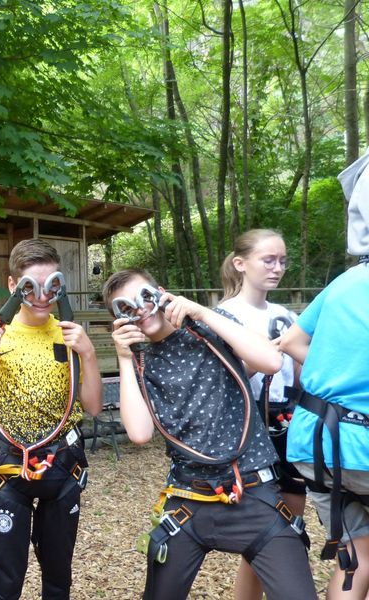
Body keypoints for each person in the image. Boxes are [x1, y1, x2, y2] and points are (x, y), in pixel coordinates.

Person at [103, 268, 316, 600]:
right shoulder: (143, 363)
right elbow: (140, 433)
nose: (141, 309)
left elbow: (271, 361)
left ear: (161, 292)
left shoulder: (209, 327)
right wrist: (124, 358)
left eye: (145, 297)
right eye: (126, 308)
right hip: (189, 498)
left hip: (253, 490)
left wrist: (201, 313)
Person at [0, 238, 102, 600]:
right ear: (13, 285)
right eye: (30, 286)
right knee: (6, 580)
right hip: (11, 467)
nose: (42, 296)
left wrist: (88, 354)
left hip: (62, 465)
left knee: (58, 576)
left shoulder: (69, 333)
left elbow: (94, 407)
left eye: (51, 285)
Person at [279, 153, 369, 599]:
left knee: (357, 557)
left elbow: (292, 341)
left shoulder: (344, 282)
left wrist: (339, 373)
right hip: (362, 448)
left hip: (315, 445)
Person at [218, 229, 307, 600]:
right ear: (240, 263)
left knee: (291, 528)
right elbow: (219, 383)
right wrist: (264, 356)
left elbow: (302, 377)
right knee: (259, 541)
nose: (277, 268)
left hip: (288, 424)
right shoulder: (222, 316)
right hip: (247, 427)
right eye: (268, 260)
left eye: (282, 261)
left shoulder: (287, 315)